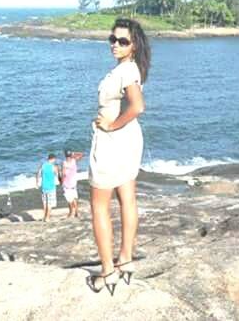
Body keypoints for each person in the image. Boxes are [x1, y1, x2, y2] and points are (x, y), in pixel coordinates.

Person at [87, 18, 151, 295]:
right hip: (128, 140)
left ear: (133, 45)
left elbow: (137, 106)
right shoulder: (131, 69)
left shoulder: (126, 72)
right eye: (112, 39)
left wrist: (110, 125)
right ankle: (125, 259)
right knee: (127, 199)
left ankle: (107, 272)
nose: (115, 44)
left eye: (123, 41)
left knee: (99, 206)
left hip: (113, 141)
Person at [60, 149, 84, 218]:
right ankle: (76, 212)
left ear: (65, 155)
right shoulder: (74, 160)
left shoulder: (64, 163)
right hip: (73, 184)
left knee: (69, 200)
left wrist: (61, 182)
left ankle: (71, 213)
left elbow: (64, 174)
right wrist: (74, 153)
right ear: (70, 155)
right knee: (74, 199)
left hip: (67, 184)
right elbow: (81, 154)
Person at [36, 153, 59, 221]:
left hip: (43, 186)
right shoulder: (53, 167)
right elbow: (56, 174)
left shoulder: (43, 165)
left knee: (45, 203)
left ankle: (44, 216)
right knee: (50, 203)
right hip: (51, 187)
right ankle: (47, 217)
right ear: (53, 159)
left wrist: (37, 182)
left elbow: (38, 174)